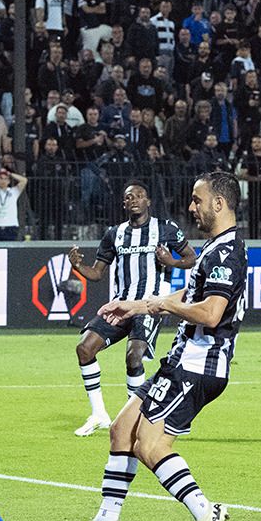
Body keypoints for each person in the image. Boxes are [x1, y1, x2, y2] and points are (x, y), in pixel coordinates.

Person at [62, 172, 247, 521]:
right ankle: (108, 519)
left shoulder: (227, 253)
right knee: (121, 429)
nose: (191, 207)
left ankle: (205, 511)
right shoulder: (215, 248)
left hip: (197, 366)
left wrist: (164, 306)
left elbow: (210, 313)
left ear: (219, 204)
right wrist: (139, 305)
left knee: (150, 445)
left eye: (197, 201)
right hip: (181, 361)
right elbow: (189, 294)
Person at [67, 181, 196, 437]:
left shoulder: (166, 228)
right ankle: (99, 414)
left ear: (148, 201)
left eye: (139, 196)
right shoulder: (114, 233)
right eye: (129, 197)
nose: (134, 200)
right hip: (120, 305)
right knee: (84, 347)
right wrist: (78, 267)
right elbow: (97, 273)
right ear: (123, 203)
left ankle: (133, 419)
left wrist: (171, 261)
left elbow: (191, 258)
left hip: (149, 306)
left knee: (133, 356)